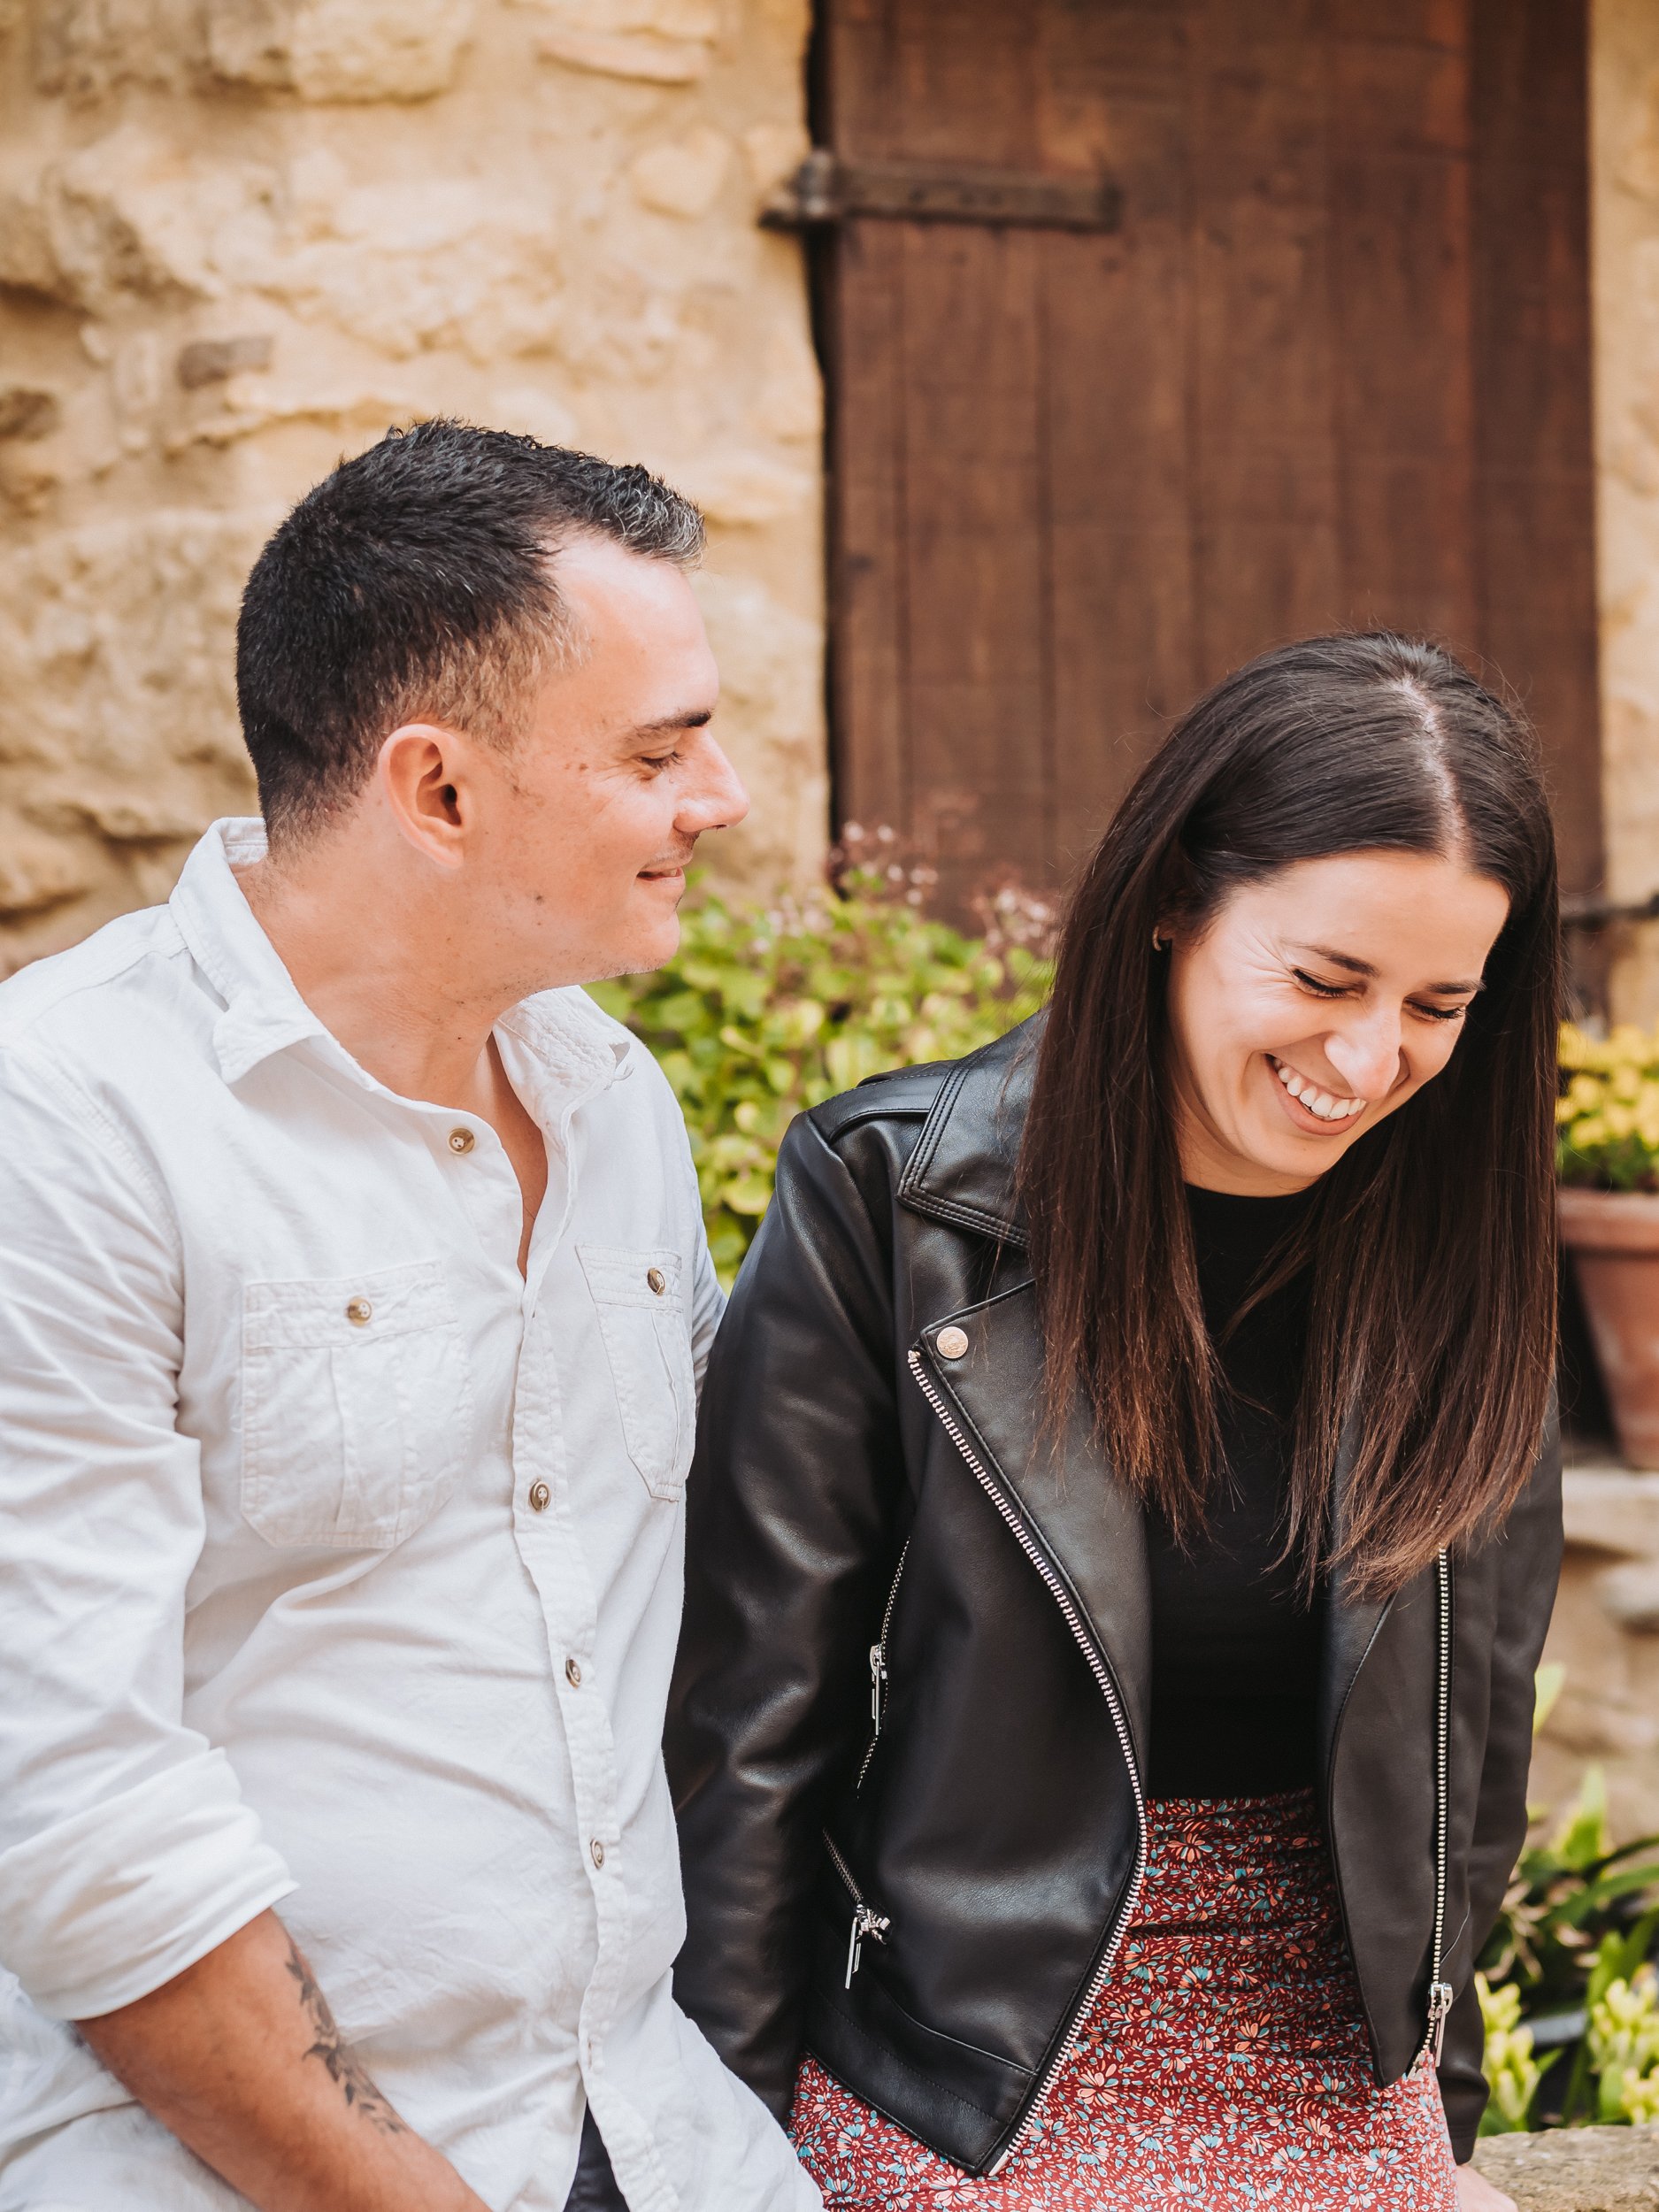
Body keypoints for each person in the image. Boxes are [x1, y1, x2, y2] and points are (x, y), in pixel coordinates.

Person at [0, 421, 818, 2212]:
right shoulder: (61, 1119)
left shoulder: (610, 1098)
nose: (723, 795)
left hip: (655, 2126)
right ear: (437, 791)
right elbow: (74, 1814)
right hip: (206, 2168)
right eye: (659, 748)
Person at [667, 633, 1561, 2212]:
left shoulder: (1460, 1259)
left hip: (1329, 2052)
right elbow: (749, 1730)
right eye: (1324, 977)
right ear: (1167, 901)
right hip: (969, 2053)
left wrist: (1439, 2128)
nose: (1369, 1063)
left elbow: (1469, 1729)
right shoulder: (891, 1203)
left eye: (1440, 1005)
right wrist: (719, 2153)